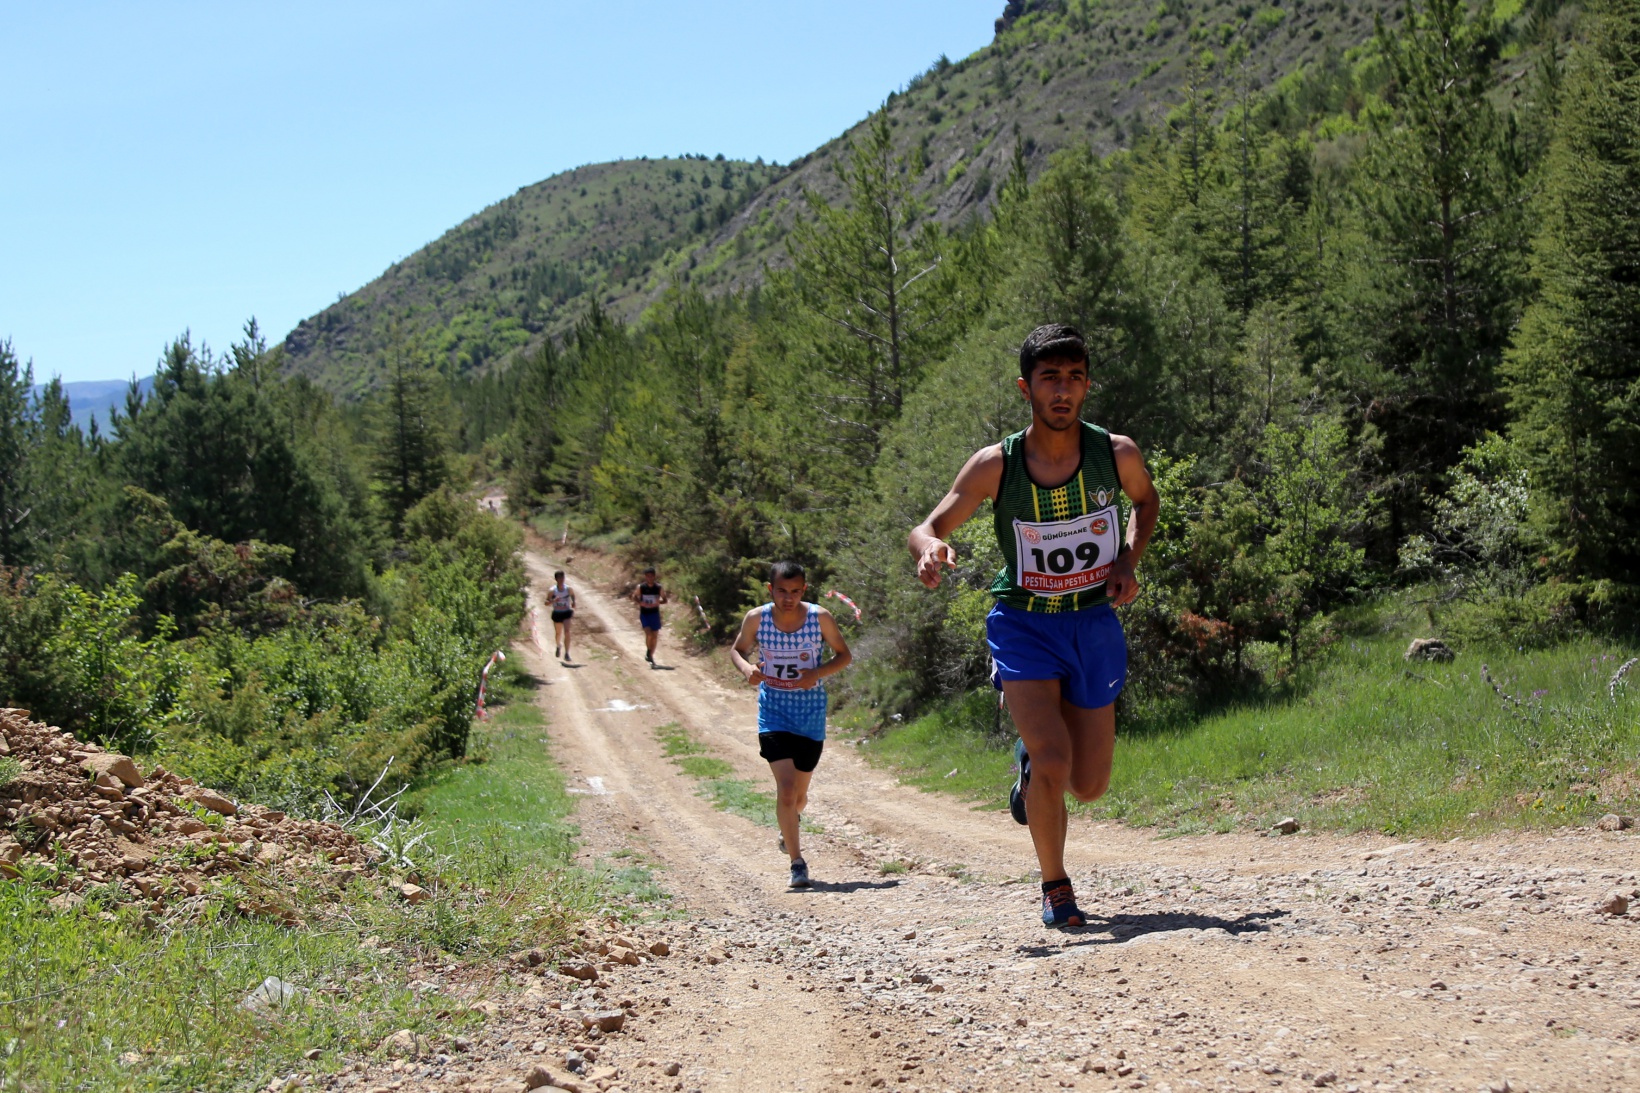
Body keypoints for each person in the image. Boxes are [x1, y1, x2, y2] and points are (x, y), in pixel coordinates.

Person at [906, 323, 1159, 928]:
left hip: (1091, 623)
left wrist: (1128, 558)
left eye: (1074, 378)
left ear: (1087, 386)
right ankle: (1055, 886)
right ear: (1026, 388)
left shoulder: (1116, 454)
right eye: (1050, 378)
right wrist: (928, 549)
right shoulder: (997, 465)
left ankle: (1029, 766)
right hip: (1023, 624)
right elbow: (928, 526)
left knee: (1089, 785)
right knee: (1053, 760)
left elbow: (1146, 501)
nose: (1062, 390)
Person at [728, 561, 853, 889]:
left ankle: (789, 824)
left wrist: (817, 673)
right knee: (785, 789)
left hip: (810, 715)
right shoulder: (757, 618)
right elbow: (738, 650)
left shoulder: (819, 617)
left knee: (799, 796)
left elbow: (844, 655)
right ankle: (797, 863)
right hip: (774, 713)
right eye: (782, 591)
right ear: (771, 590)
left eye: (795, 591)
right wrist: (747, 669)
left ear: (804, 590)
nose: (788, 598)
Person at [630, 566, 669, 666]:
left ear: (654, 576)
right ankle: (649, 651)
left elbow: (665, 600)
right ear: (645, 577)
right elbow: (634, 596)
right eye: (647, 576)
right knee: (648, 633)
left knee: (654, 636)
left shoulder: (658, 588)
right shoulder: (641, 587)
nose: (649, 578)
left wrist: (658, 602)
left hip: (655, 614)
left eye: (651, 576)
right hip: (645, 614)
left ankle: (650, 655)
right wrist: (641, 603)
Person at [549, 571, 576, 662]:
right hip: (557, 613)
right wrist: (553, 601)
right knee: (558, 633)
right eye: (559, 578)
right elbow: (546, 602)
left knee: (567, 632)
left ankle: (567, 653)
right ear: (556, 579)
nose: (561, 580)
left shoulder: (568, 589)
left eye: (562, 577)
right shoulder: (552, 590)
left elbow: (572, 595)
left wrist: (573, 602)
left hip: (566, 612)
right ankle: (558, 646)